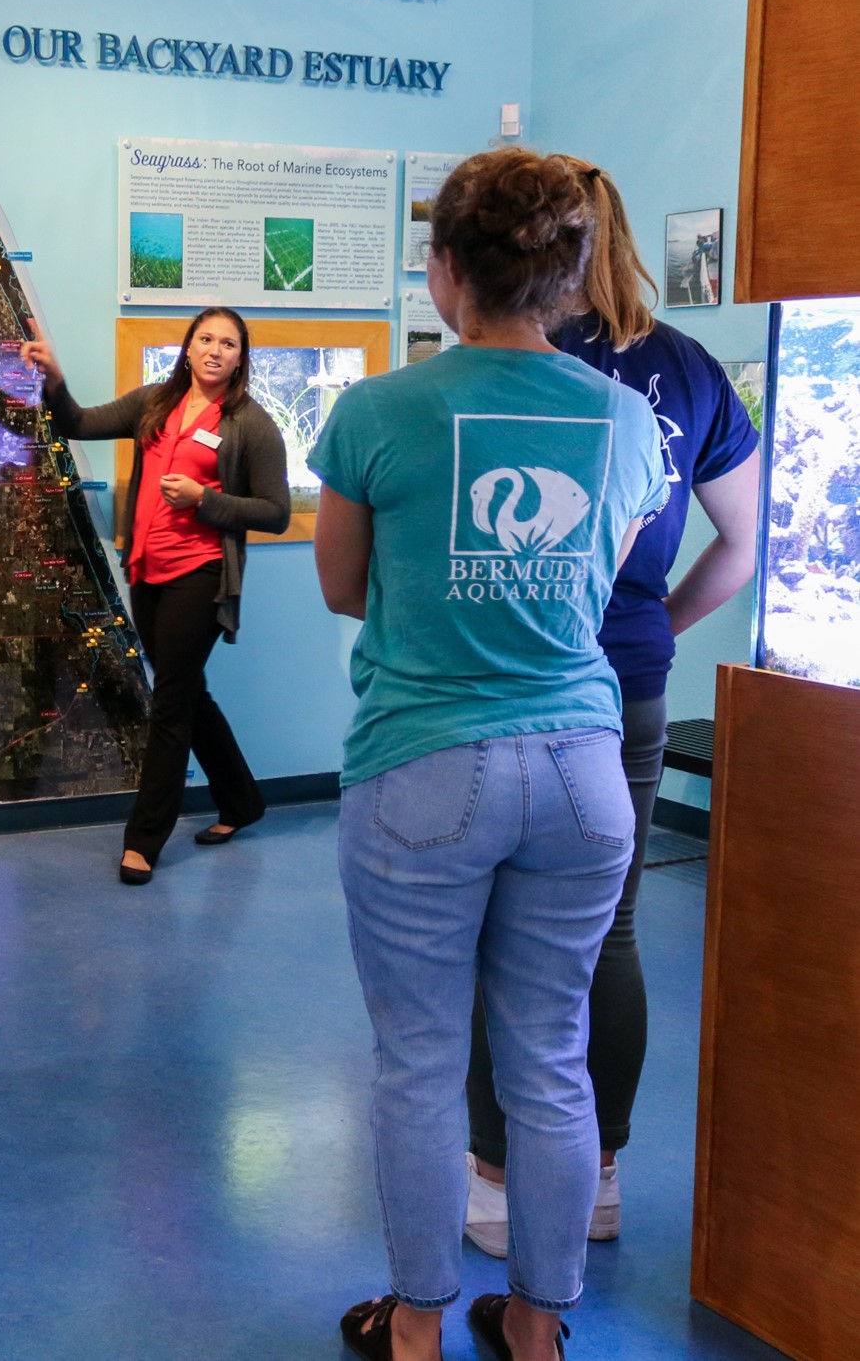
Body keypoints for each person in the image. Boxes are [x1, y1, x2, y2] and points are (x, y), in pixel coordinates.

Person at [316, 147, 661, 1361]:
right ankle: (535, 1324)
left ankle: (414, 1324)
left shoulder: (377, 410)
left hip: (425, 765)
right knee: (550, 1059)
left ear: (446, 267)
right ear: (572, 274)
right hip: (582, 768)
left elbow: (344, 585)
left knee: (418, 1060)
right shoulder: (625, 418)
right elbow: (597, 585)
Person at [459, 159, 763, 1260]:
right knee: (609, 932)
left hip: (505, 680)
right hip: (627, 684)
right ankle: (597, 1179)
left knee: (499, 932)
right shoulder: (686, 370)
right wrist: (657, 630)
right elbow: (743, 537)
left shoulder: (509, 353)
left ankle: (495, 1179)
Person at [34, 306, 294, 885]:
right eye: (206, 338)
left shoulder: (251, 423)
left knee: (170, 704)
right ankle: (241, 801)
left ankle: (143, 840)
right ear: (188, 346)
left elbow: (276, 512)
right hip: (146, 571)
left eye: (228, 343)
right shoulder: (154, 402)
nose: (215, 350)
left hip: (201, 576)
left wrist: (205, 498)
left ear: (240, 358)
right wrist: (54, 379)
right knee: (186, 691)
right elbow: (76, 421)